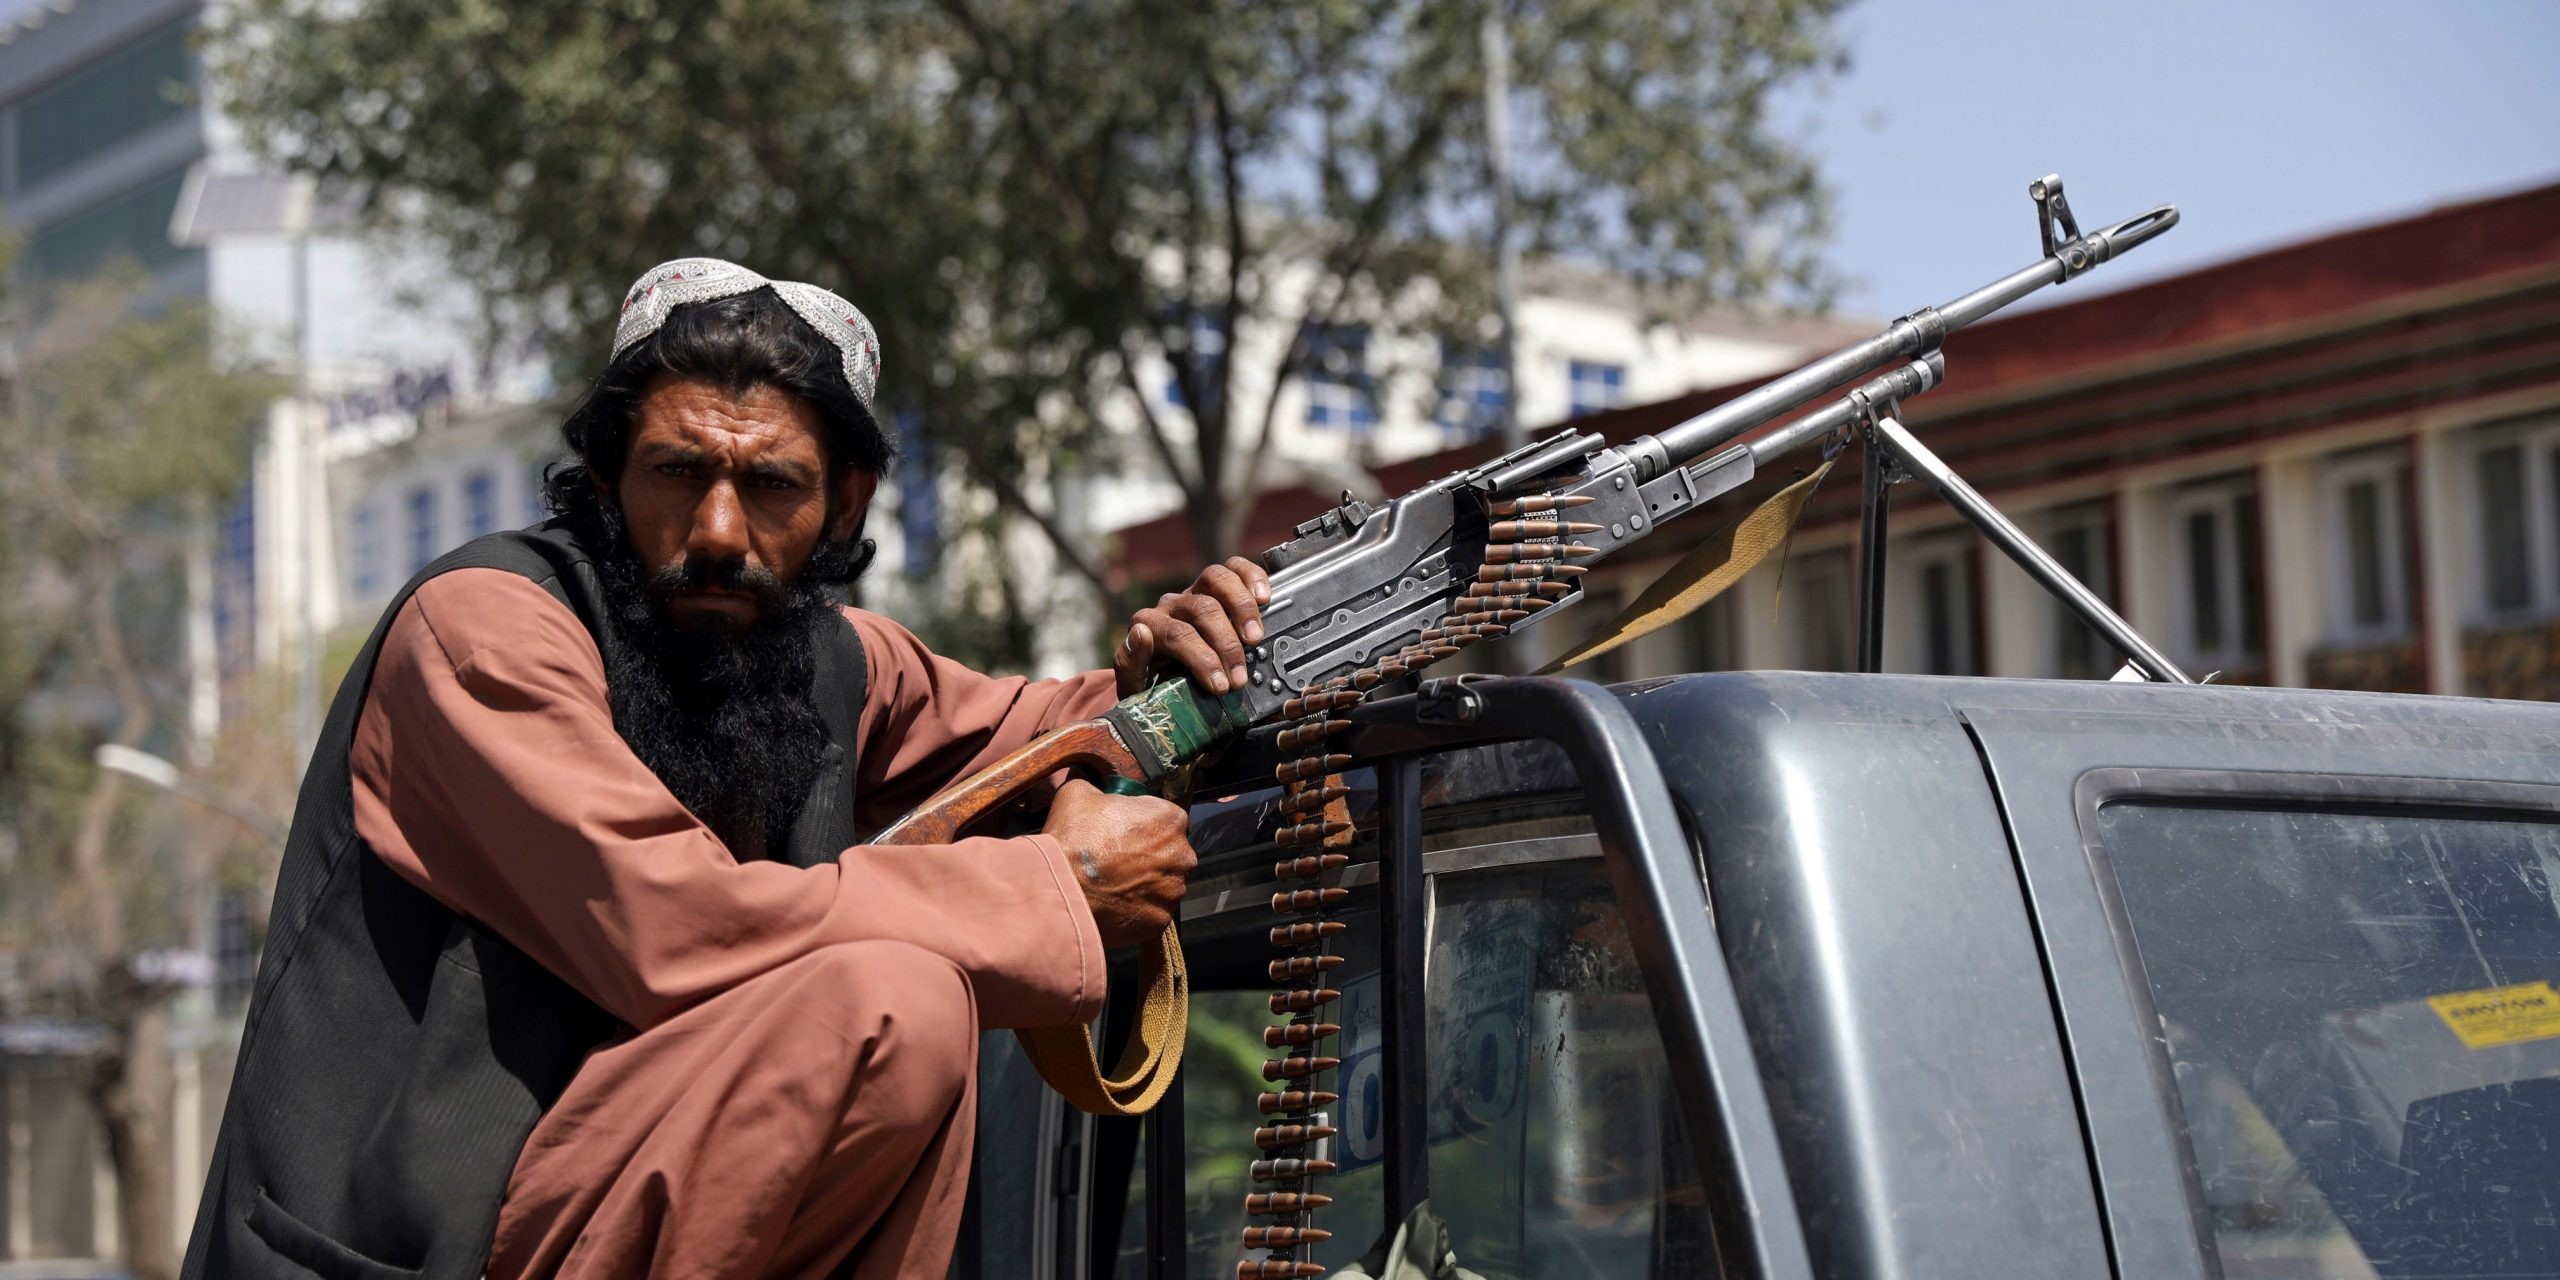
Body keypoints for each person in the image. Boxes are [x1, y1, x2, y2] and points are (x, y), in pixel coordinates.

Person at [183, 258, 1272, 1280]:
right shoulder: (484, 631)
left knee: (898, 988)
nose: (716, 528)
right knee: (889, 998)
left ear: (844, 502)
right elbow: (674, 924)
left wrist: (1177, 669)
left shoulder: (827, 663)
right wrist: (1053, 889)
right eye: (676, 471)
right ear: (605, 475)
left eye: (771, 485)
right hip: (409, 1243)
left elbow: (1046, 736)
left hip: (594, 1194)